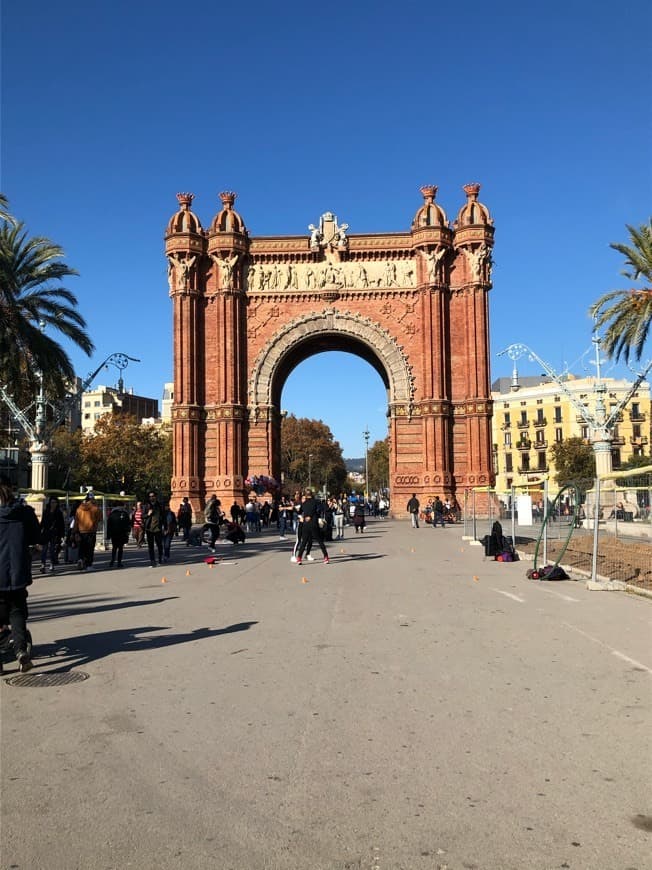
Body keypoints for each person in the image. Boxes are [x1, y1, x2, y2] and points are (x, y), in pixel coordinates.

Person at [0, 476, 40, 673]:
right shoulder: (24, 512)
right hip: (17, 572)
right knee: (16, 611)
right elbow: (35, 537)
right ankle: (20, 650)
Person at [292, 489, 329, 565]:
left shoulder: (304, 503)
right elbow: (322, 509)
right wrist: (314, 515)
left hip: (306, 524)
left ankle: (299, 558)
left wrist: (294, 508)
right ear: (312, 494)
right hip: (313, 523)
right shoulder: (316, 502)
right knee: (319, 540)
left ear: (305, 495)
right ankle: (326, 557)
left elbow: (299, 512)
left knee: (304, 542)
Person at [73, 493, 102, 571]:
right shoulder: (96, 508)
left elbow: (76, 521)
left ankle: (80, 559)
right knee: (90, 549)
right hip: (91, 531)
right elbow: (100, 519)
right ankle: (89, 565)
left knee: (82, 548)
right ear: (92, 499)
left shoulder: (79, 508)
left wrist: (75, 532)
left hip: (81, 531)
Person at [39, 495, 65, 574]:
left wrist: (62, 535)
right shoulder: (46, 511)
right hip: (46, 532)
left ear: (57, 503)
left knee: (52, 550)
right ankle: (43, 565)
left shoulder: (59, 513)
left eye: (55, 502)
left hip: (54, 533)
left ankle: (51, 564)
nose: (53, 504)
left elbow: (61, 524)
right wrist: (39, 531)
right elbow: (42, 522)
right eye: (52, 502)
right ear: (49, 503)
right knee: (44, 549)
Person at [144, 491, 165, 568]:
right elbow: (143, 516)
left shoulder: (160, 505)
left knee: (159, 545)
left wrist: (165, 527)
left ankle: (160, 559)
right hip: (149, 528)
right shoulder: (147, 506)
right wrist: (147, 514)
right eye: (150, 496)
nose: (151, 497)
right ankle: (152, 561)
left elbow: (164, 516)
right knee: (150, 546)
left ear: (155, 497)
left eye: (153, 496)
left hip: (158, 528)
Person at [107, 504, 132, 568]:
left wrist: (108, 535)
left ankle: (112, 562)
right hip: (122, 533)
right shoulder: (125, 513)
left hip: (114, 533)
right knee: (120, 548)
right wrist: (128, 532)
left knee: (114, 548)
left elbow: (109, 525)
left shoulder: (112, 514)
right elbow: (128, 524)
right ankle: (119, 562)